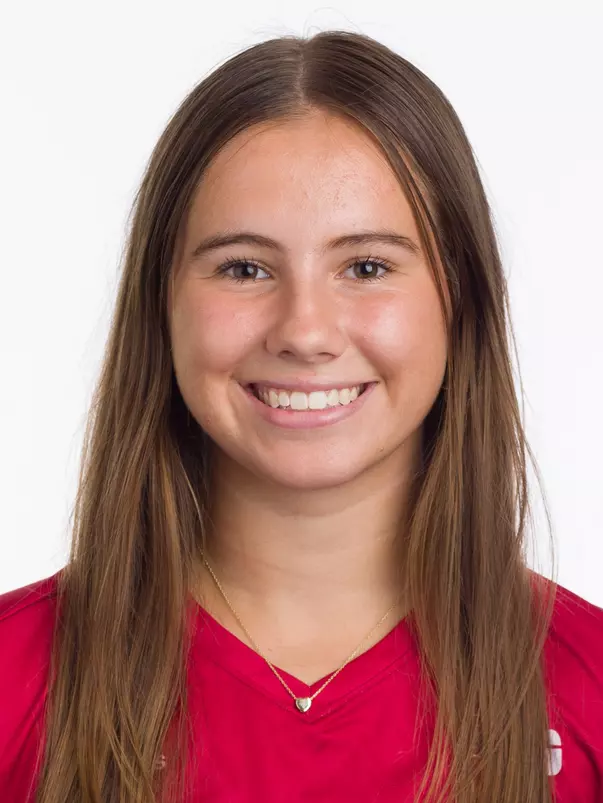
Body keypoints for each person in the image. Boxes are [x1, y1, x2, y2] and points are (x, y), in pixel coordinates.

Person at [0, 29, 601, 803]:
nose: (305, 331)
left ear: (461, 301)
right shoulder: (16, 680)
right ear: (162, 306)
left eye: (366, 266)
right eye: (244, 267)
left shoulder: (584, 688)